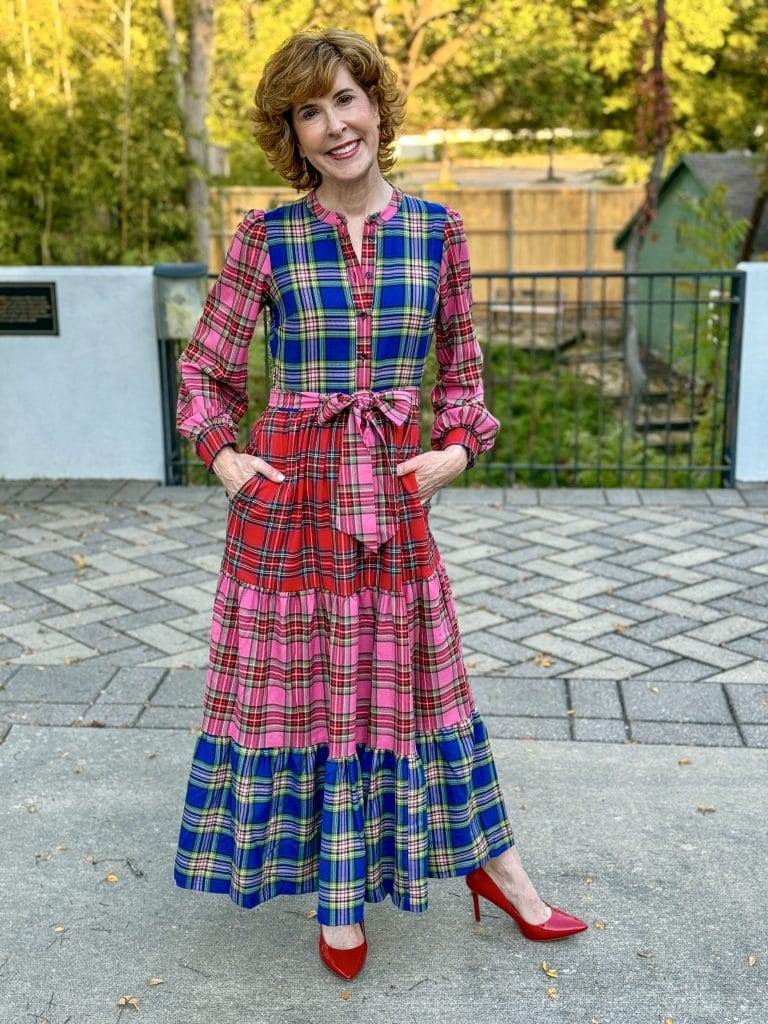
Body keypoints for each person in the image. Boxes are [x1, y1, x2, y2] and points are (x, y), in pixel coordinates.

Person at [172, 27, 587, 981]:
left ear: (376, 105)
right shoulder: (264, 237)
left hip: (393, 505)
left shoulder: (437, 230)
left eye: (345, 99)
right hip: (287, 506)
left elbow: (465, 368)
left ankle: (503, 871)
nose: (333, 125)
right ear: (294, 134)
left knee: (423, 688)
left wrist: (455, 448)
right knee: (308, 698)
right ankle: (340, 895)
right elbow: (205, 369)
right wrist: (227, 458)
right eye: (308, 112)